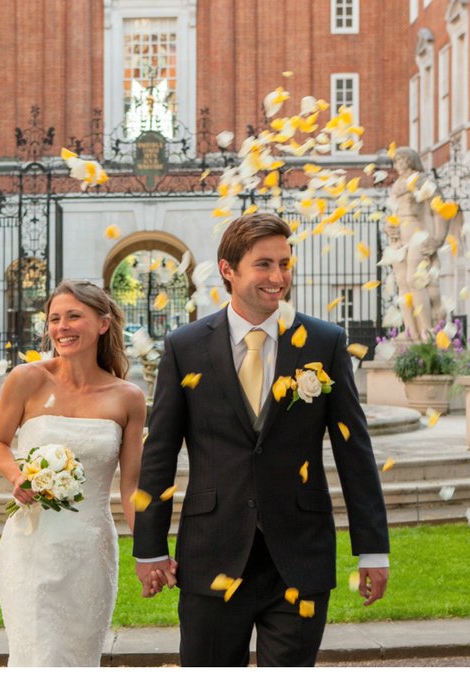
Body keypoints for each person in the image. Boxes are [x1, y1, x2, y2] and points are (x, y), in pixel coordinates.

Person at [133, 213, 390, 667]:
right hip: (211, 552)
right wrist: (151, 548)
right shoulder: (185, 345)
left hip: (300, 552)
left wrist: (372, 549)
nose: (278, 278)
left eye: (285, 265)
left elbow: (355, 450)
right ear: (228, 270)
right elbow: (159, 453)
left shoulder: (324, 343)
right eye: (264, 265)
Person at [0, 279, 147, 666]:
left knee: (78, 658)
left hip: (90, 551)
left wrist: (148, 552)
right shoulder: (26, 380)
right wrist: (16, 475)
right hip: (31, 545)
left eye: (74, 316)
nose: (62, 327)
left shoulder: (128, 397)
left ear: (103, 323)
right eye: (54, 319)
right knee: (38, 656)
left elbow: (131, 488)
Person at [383, 147, 457, 341]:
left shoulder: (424, 181)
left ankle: (427, 331)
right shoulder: (397, 186)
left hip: (418, 232)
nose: (397, 165)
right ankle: (410, 332)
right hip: (400, 235)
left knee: (414, 279)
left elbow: (441, 210)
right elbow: (389, 214)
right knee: (401, 283)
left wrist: (438, 238)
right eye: (396, 161)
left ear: (409, 161)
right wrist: (388, 227)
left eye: (400, 161)